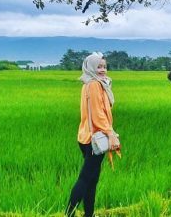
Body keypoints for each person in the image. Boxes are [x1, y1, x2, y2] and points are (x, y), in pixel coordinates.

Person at [66, 52, 120, 217]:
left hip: (86, 137)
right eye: (99, 67)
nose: (103, 70)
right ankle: (69, 213)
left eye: (104, 66)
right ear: (90, 67)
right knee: (85, 178)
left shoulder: (90, 83)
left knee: (91, 180)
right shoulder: (95, 85)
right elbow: (97, 114)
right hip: (94, 139)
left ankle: (89, 214)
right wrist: (110, 134)